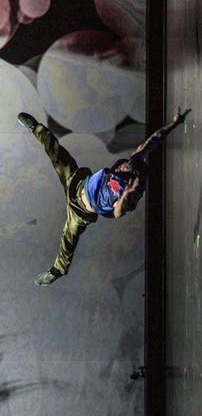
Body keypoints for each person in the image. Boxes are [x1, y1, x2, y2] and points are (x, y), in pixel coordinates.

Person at [17, 107, 191, 285]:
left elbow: (117, 213)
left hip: (80, 211)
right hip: (76, 183)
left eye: (123, 169)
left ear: (132, 179)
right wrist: (174, 123)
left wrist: (127, 195)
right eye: (121, 168)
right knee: (57, 154)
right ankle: (36, 128)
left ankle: (57, 270)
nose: (119, 168)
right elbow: (154, 140)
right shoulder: (134, 161)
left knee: (68, 238)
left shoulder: (131, 193)